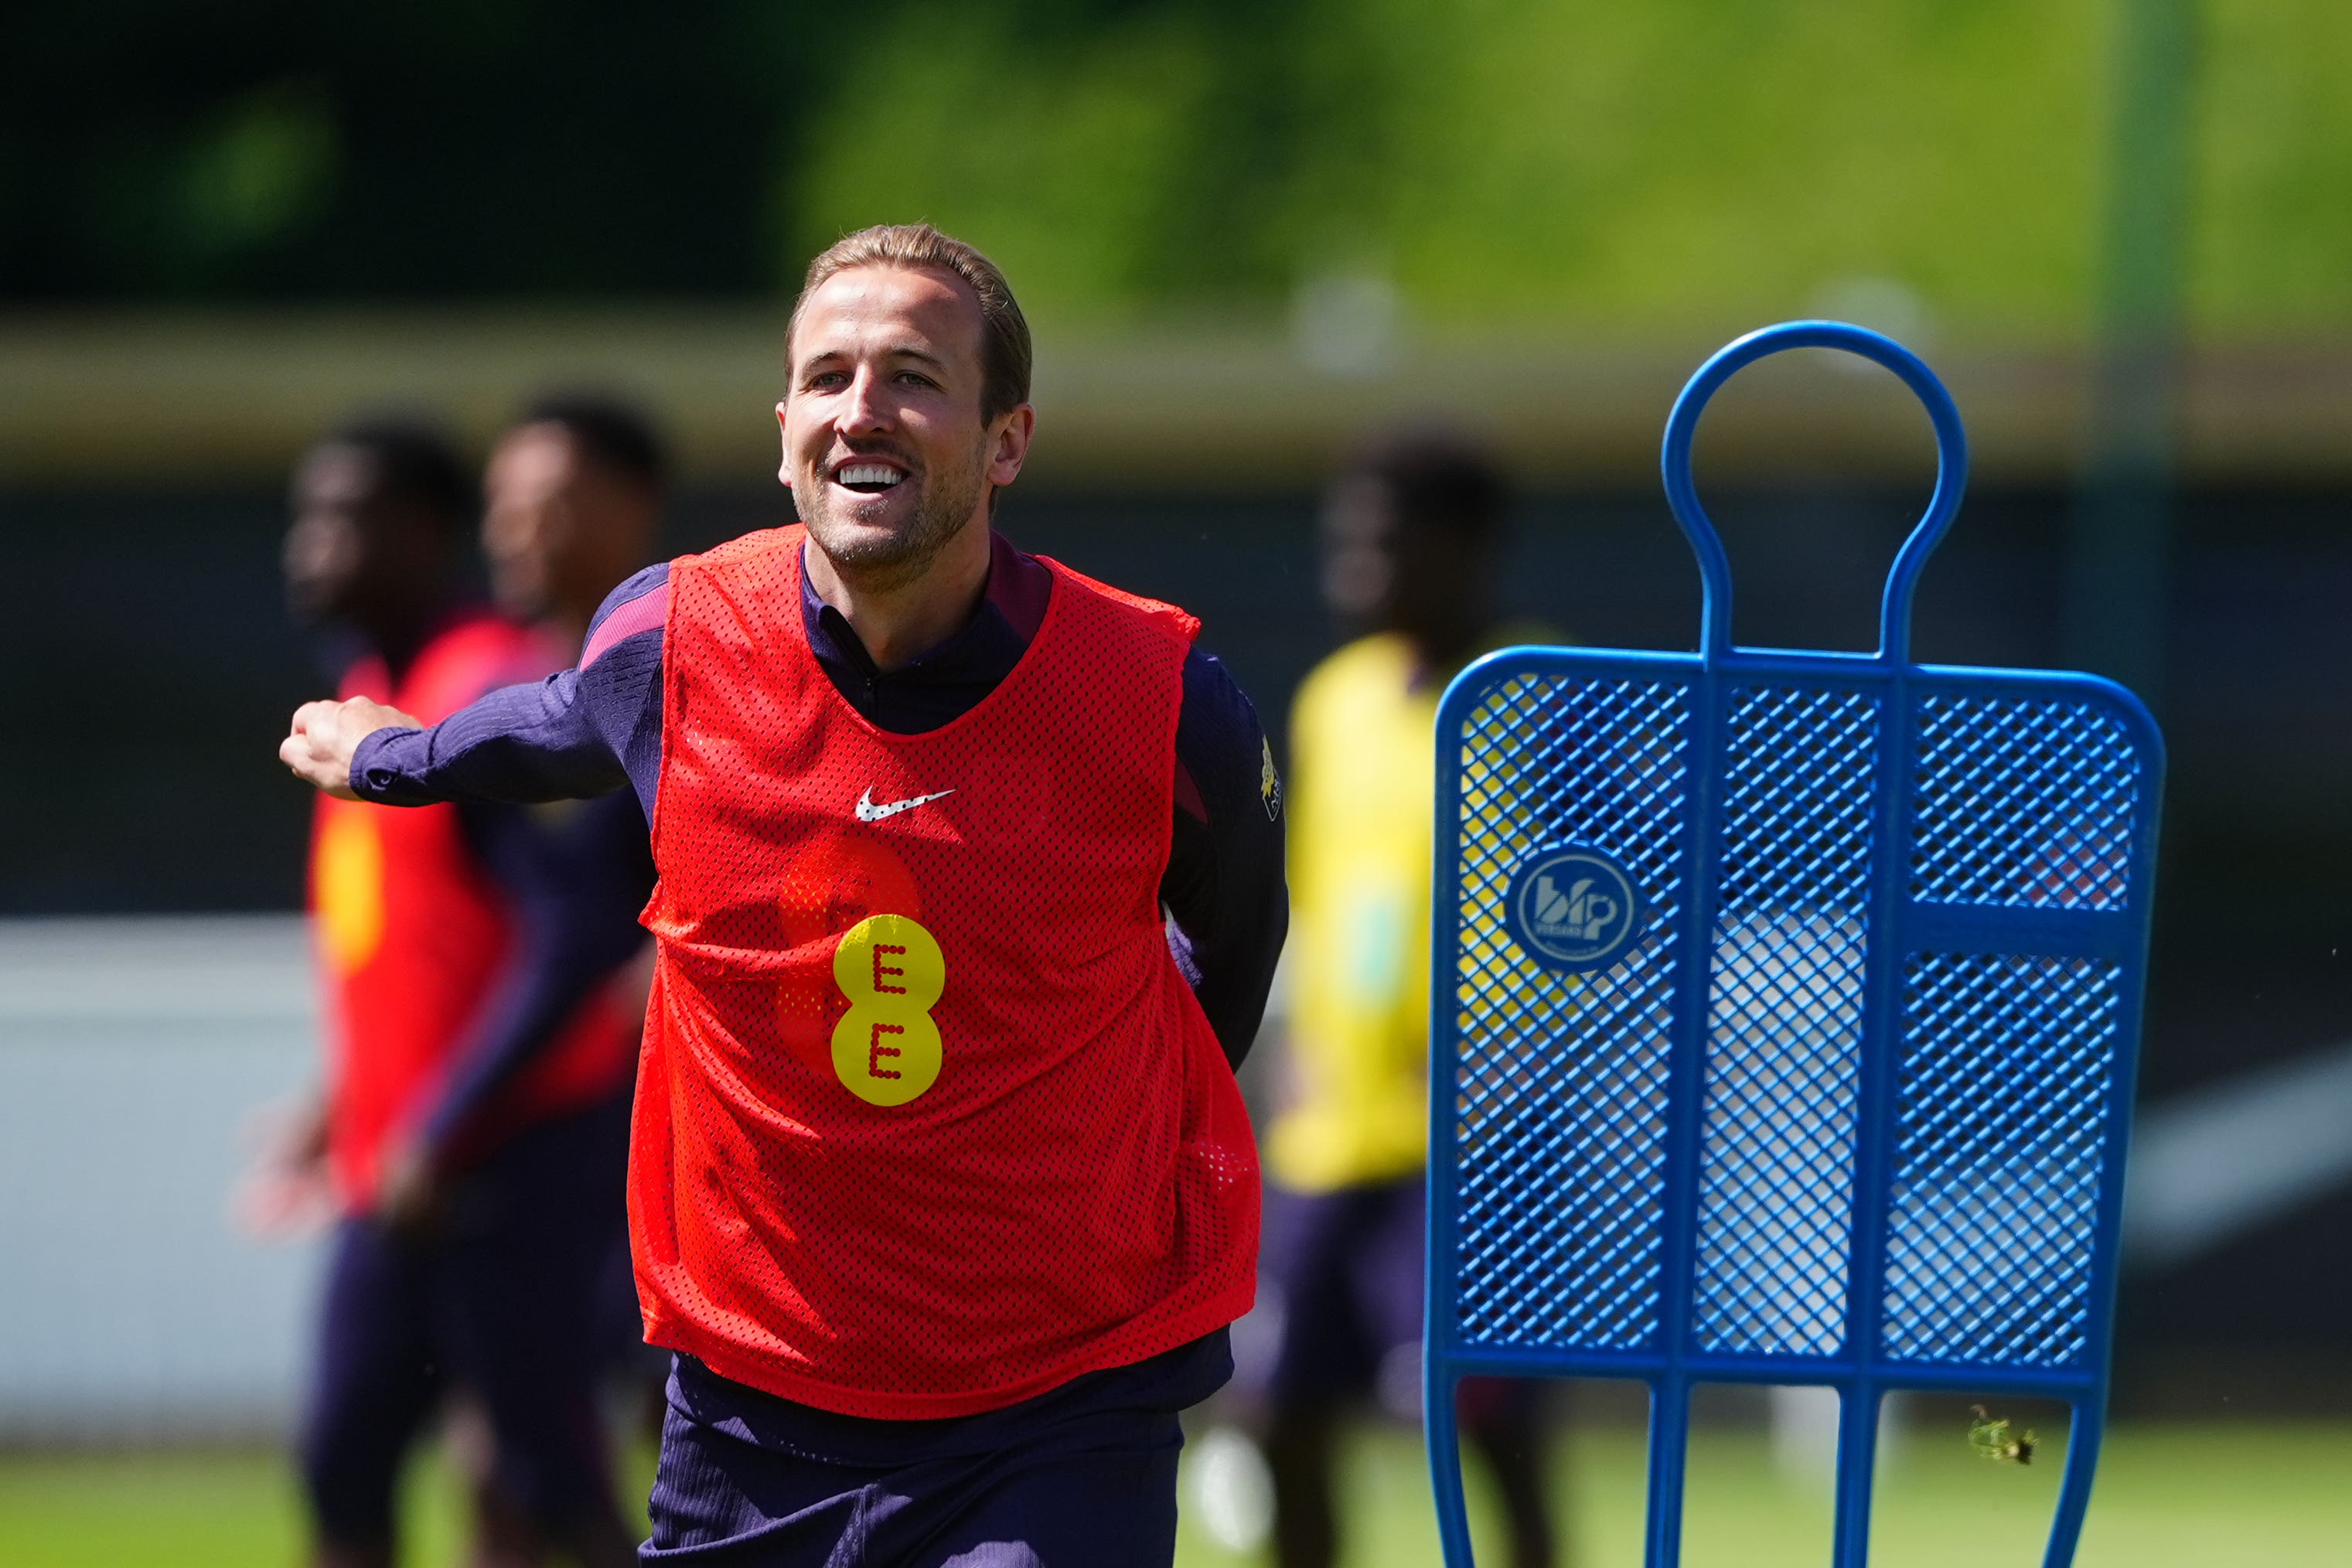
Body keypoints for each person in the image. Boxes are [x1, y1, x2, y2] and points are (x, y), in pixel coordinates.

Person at [279, 223, 1288, 1566]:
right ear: (781, 431)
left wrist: (1114, 1129)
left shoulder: (1156, 699)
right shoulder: (678, 638)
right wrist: (392, 755)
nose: (861, 409)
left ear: (1006, 441)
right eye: (827, 378)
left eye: (915, 376)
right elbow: (552, 729)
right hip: (758, 1400)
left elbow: (1239, 938)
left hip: (1059, 1394)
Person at [278, 412, 656, 1568]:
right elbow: (412, 948)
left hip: (511, 1146)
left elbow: (569, 933)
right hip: (396, 1160)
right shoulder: (365, 696)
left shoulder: (480, 694)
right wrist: (341, 1102)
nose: (310, 547)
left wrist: (441, 1123)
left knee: (534, 1482)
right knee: (346, 1455)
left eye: (347, 520)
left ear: (420, 535)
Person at [1253, 429, 1559, 1568]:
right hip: (1334, 1123)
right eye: (1345, 537)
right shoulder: (1336, 699)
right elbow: (1329, 893)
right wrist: (1300, 1042)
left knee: (1478, 1422)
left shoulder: (1543, 690)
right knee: (1276, 1407)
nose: (1352, 562)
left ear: (1461, 546)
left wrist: (1530, 1049)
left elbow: (1607, 902)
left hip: (1479, 1135)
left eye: (1382, 540)